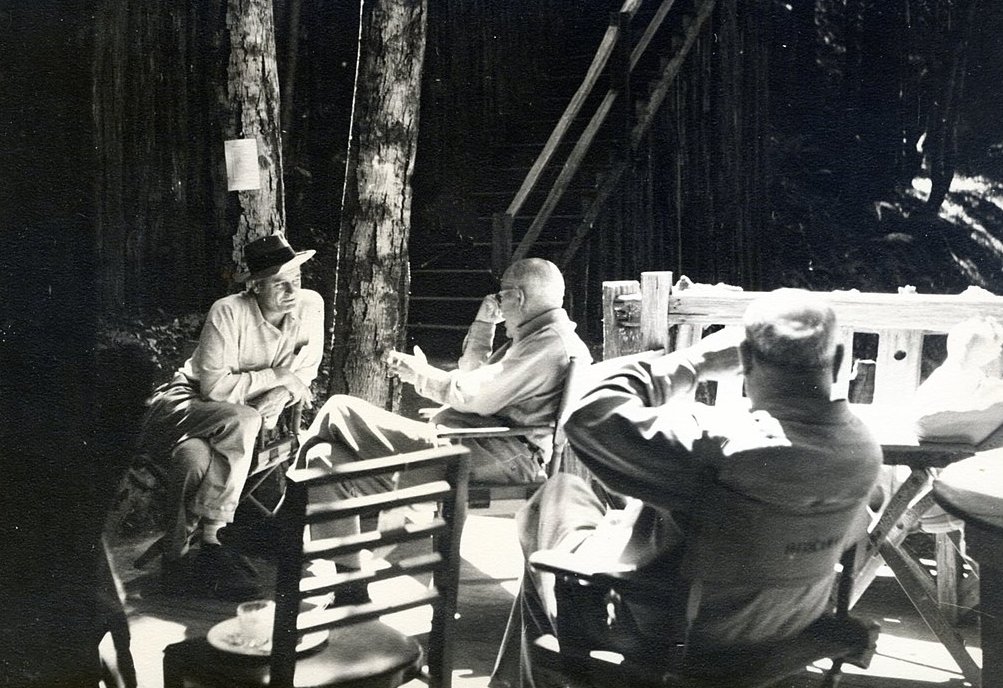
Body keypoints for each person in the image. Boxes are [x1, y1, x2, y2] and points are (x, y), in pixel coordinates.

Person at [490, 288, 883, 687]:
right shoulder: (863, 450)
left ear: (744, 359)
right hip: (782, 630)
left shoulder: (721, 446)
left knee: (555, 498)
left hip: (673, 638)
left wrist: (694, 363)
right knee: (585, 505)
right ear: (836, 362)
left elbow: (585, 417)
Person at [296, 258, 590, 574]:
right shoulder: (539, 338)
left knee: (340, 409)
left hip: (491, 456)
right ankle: (350, 580)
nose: (497, 303)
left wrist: (420, 374)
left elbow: (471, 393)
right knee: (323, 456)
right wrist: (484, 325)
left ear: (518, 297)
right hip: (478, 449)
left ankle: (284, 526)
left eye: (501, 295)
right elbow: (474, 376)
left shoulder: (548, 343)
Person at [138, 234, 324, 600]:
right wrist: (275, 378)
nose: (291, 291)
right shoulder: (229, 311)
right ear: (255, 286)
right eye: (279, 283)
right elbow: (212, 388)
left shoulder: (309, 307)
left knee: (193, 459)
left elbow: (306, 370)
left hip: (233, 420)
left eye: (296, 280)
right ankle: (213, 537)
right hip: (187, 405)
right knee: (245, 421)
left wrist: (283, 391)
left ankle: (177, 558)